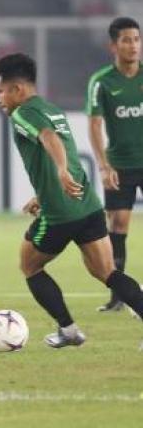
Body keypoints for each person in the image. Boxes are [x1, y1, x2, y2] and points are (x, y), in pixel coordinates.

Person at [0, 52, 143, 348]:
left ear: (18, 90)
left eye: (0, 91)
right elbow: (66, 152)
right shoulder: (52, 109)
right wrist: (44, 190)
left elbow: (50, 139)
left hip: (61, 213)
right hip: (87, 205)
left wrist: (59, 173)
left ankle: (69, 330)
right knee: (107, 271)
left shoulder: (23, 113)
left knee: (29, 265)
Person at [86, 17, 143, 312]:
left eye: (137, 39)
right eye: (126, 40)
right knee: (118, 224)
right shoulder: (102, 81)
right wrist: (104, 166)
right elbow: (95, 124)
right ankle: (119, 296)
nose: (133, 45)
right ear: (114, 46)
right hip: (121, 165)